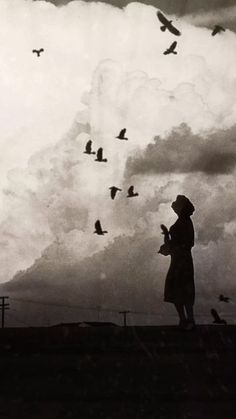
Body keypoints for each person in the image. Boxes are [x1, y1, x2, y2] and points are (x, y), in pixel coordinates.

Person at [159, 195, 195, 330]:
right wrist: (168, 245)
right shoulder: (184, 221)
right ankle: (185, 319)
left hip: (181, 260)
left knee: (181, 289)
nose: (174, 209)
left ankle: (187, 320)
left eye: (176, 207)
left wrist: (170, 245)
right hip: (179, 259)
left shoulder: (184, 222)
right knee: (178, 289)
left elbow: (187, 243)